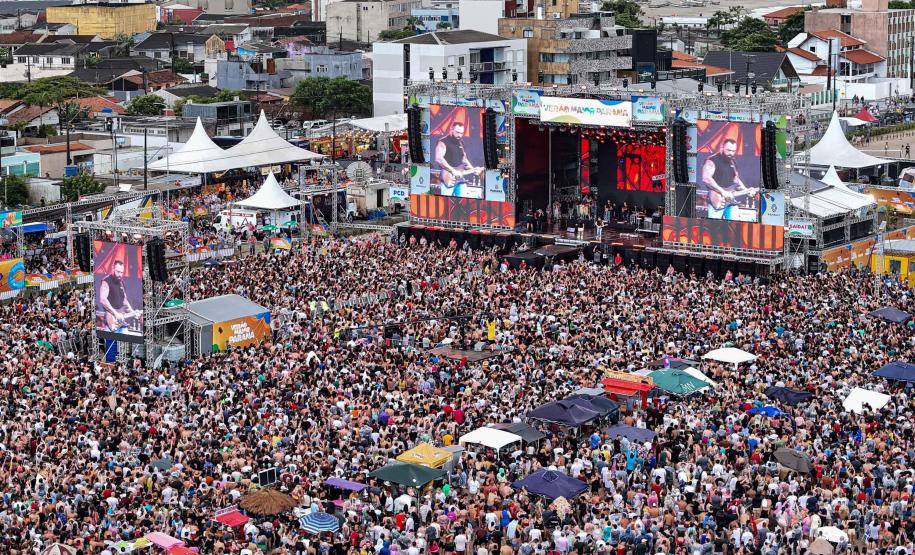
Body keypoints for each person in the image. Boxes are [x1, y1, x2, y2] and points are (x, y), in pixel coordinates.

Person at [700, 139, 758, 220]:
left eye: (733, 151)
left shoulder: (733, 161)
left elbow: (736, 180)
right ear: (722, 147)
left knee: (734, 227)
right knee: (714, 227)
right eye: (729, 150)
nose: (731, 153)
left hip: (730, 202)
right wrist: (722, 191)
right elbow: (706, 178)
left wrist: (746, 190)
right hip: (717, 201)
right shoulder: (712, 160)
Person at [434, 121, 483, 197]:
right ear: (451, 129)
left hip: (460, 179)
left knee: (463, 203)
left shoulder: (461, 142)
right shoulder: (443, 142)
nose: (459, 135)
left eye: (461, 133)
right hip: (448, 178)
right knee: (447, 203)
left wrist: (473, 169)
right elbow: (439, 159)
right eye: (457, 132)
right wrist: (453, 171)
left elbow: (464, 159)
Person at [97, 260, 140, 332]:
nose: (120, 274)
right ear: (112, 268)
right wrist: (115, 313)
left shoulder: (121, 282)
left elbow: (125, 301)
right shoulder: (106, 281)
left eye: (122, 272)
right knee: (111, 341)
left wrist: (133, 312)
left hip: (121, 321)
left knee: (125, 340)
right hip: (112, 320)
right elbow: (103, 299)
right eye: (118, 272)